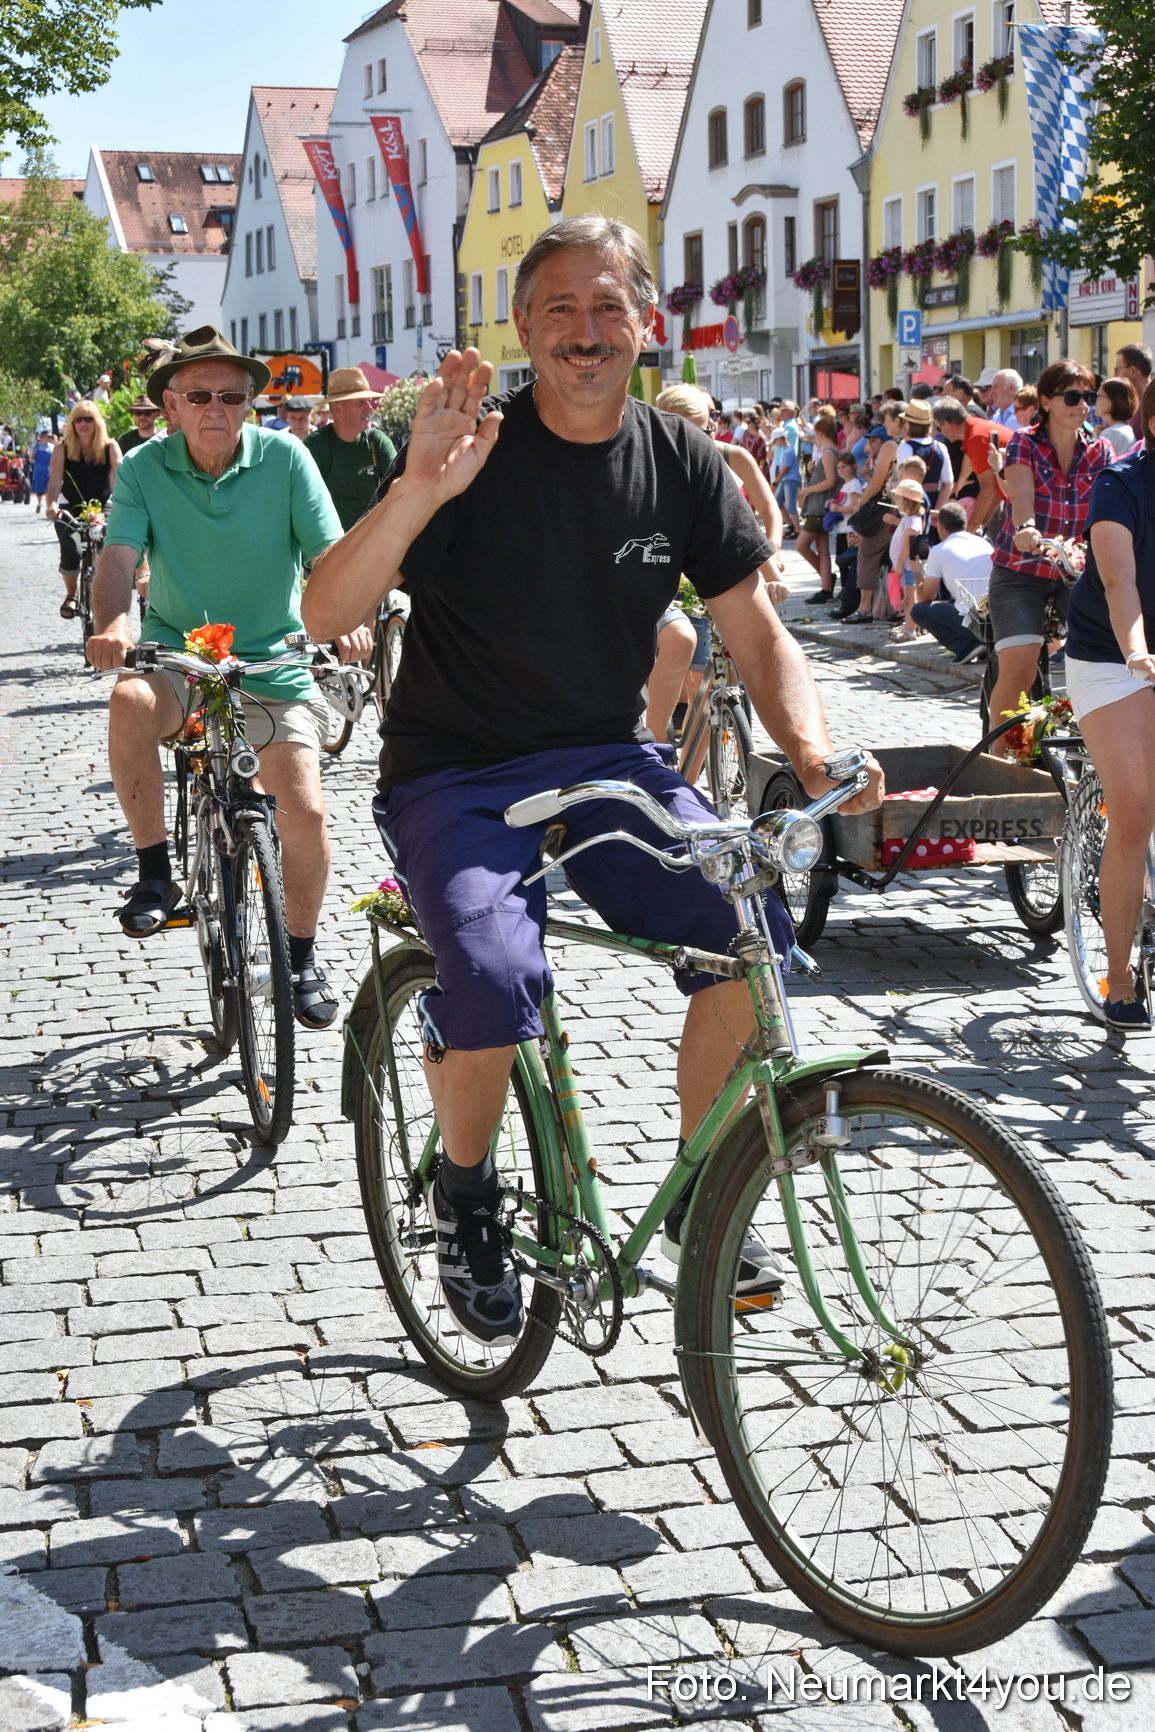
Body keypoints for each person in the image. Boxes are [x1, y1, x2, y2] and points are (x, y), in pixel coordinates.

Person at [299, 214, 884, 1344]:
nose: (583, 330)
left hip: (605, 760)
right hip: (457, 771)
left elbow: (756, 632)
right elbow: (326, 611)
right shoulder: (472, 452)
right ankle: (466, 1190)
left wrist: (811, 753)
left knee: (742, 913)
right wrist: (418, 488)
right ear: (522, 326)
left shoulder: (679, 460)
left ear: (645, 325)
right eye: (558, 308)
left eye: (607, 305)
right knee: (492, 969)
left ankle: (703, 1194)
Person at [85, 325, 368, 1028]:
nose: (217, 407)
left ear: (250, 403)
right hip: (180, 656)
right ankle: (155, 870)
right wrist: (116, 622)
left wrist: (348, 609)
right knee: (127, 701)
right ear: (172, 405)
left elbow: (327, 553)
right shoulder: (146, 468)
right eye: (200, 394)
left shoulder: (287, 459)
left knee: (303, 809)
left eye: (232, 395)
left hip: (269, 658)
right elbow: (119, 557)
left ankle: (300, 956)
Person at [1064, 377, 1155, 1029]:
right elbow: (1119, 583)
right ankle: (1119, 977)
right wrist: (1136, 651)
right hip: (1110, 660)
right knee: (1132, 813)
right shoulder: (1118, 485)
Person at [986, 359, 1114, 756]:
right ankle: (999, 759)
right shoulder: (1024, 440)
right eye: (1072, 396)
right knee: (1021, 667)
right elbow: (1021, 490)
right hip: (1020, 567)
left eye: (1089, 397)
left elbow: (1109, 507)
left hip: (1074, 569)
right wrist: (1026, 527)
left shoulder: (1101, 448)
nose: (1082, 405)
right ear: (1045, 401)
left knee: (1098, 662)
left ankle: (1091, 753)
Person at [45, 400, 121, 618]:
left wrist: (125, 504)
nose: (83, 423)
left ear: (96, 422)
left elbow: (121, 477)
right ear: (72, 423)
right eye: (78, 419)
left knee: (106, 551)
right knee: (71, 551)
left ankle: (106, 595)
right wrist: (51, 505)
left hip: (102, 506)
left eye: (88, 418)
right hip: (70, 507)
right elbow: (54, 482)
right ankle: (72, 594)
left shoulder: (110, 447)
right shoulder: (62, 448)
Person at [305, 368, 397, 532]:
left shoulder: (377, 442)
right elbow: (301, 498)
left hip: (371, 540)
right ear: (338, 408)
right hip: (330, 546)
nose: (370, 408)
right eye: (361, 403)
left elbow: (400, 485)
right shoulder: (315, 445)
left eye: (369, 401)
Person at [910, 501, 990, 660]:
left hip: (974, 621)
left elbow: (925, 598)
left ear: (940, 526)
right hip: (998, 619)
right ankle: (984, 646)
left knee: (918, 610)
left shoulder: (940, 549)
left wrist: (918, 573)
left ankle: (966, 646)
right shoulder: (984, 543)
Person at [932, 399, 1012, 534]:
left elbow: (989, 489)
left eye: (938, 428)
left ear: (947, 424)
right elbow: (996, 489)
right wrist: (980, 525)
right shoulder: (975, 431)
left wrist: (969, 531)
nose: (939, 432)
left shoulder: (976, 437)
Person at [795, 412, 839, 601]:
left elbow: (830, 481)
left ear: (821, 432)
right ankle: (826, 586)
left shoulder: (829, 453)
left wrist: (807, 490)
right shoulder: (830, 452)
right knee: (822, 548)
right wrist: (814, 470)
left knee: (801, 545)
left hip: (819, 506)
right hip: (821, 505)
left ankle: (827, 580)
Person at [896, 400, 953, 512]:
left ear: (908, 424)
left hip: (911, 509)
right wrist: (936, 511)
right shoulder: (941, 447)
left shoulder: (905, 448)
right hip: (933, 503)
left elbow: (903, 483)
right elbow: (948, 484)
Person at [1115, 343, 1152, 441]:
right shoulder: (1127, 402)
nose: (1115, 375)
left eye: (1117, 369)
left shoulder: (1151, 401)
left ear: (1133, 371)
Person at [1095, 378, 1138, 457]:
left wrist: (1094, 437)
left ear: (1112, 401)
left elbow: (1094, 464)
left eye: (1099, 396)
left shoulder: (1113, 433)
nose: (1096, 400)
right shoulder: (1122, 429)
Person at [29, 432, 52, 513]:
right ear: (41, 438)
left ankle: (48, 507)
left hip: (49, 470)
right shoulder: (35, 446)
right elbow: (31, 459)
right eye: (46, 437)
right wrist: (30, 457)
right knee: (39, 489)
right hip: (38, 470)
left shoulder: (51, 447)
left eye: (48, 437)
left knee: (48, 489)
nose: (47, 438)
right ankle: (39, 503)